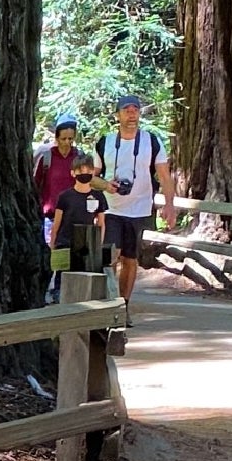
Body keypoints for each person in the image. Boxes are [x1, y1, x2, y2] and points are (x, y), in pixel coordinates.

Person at [91, 94, 175, 310]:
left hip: (140, 209)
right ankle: (106, 304)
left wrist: (169, 206)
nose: (131, 114)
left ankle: (123, 305)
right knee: (111, 256)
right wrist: (106, 185)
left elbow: (164, 176)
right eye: (126, 110)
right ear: (117, 115)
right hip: (111, 208)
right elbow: (91, 176)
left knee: (130, 259)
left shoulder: (151, 141)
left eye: (135, 110)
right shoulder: (105, 142)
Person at [34, 115, 81, 302]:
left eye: (71, 138)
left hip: (71, 215)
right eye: (64, 139)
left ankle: (58, 291)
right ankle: (41, 290)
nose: (67, 143)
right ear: (57, 137)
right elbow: (35, 183)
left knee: (65, 255)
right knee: (48, 252)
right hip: (49, 214)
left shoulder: (78, 157)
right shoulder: (46, 156)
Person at [49, 151, 107, 279]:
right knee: (62, 280)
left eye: (88, 171)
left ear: (93, 172)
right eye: (80, 171)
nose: (84, 174)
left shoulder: (98, 196)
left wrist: (98, 245)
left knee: (84, 280)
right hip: (65, 244)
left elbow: (101, 223)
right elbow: (56, 224)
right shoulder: (65, 196)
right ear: (73, 173)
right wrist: (53, 246)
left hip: (87, 245)